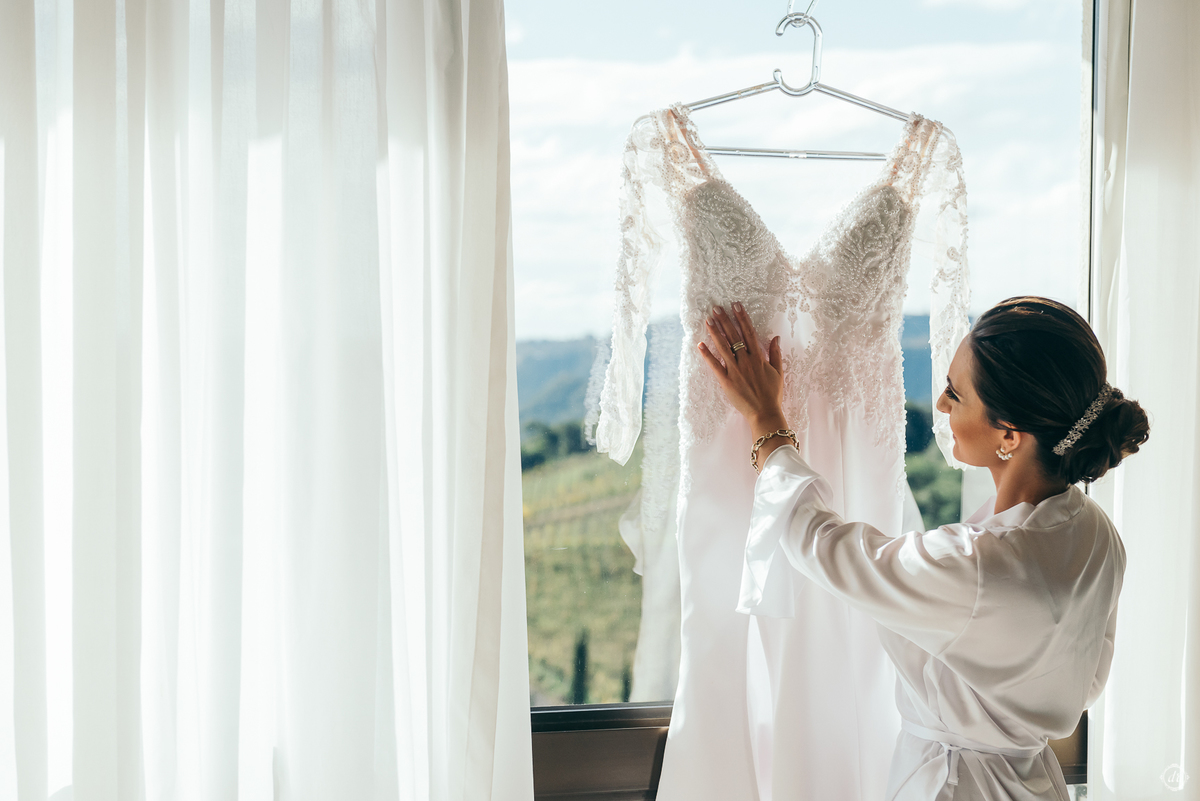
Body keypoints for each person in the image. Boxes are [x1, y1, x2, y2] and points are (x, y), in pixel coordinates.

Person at [697, 296, 1149, 801]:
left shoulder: (977, 564)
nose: (940, 405)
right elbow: (1085, 684)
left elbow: (819, 545)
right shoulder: (1099, 535)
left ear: (1009, 434)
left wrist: (766, 421)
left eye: (956, 394)